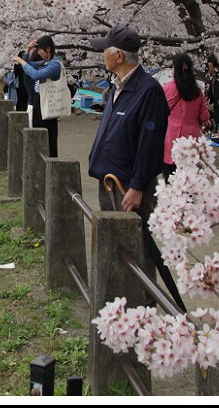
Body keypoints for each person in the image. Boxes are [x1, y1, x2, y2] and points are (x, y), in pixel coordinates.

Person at [87, 25, 186, 313]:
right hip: (109, 179)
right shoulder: (117, 85)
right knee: (116, 243)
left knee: (138, 246)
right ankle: (119, 298)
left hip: (128, 185)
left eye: (105, 49)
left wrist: (138, 186)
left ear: (117, 55)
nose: (101, 54)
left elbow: (150, 143)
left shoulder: (147, 90)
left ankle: (143, 302)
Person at [162, 53, 210, 181]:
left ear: (174, 69)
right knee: (189, 181)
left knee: (170, 180)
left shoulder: (167, 89)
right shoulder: (198, 92)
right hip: (191, 140)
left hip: (171, 139)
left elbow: (159, 112)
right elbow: (204, 117)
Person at [14, 35, 63, 158]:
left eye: (40, 50)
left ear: (48, 49)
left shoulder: (55, 64)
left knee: (48, 136)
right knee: (37, 133)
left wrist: (22, 61)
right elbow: (29, 65)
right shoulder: (45, 63)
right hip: (38, 101)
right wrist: (27, 50)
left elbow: (36, 75)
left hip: (48, 102)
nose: (39, 53)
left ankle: (50, 161)